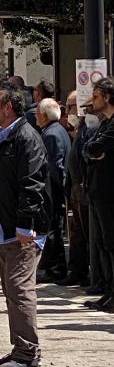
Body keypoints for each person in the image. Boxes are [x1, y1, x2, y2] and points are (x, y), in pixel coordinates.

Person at [0, 82, 51, 367]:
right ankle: (20, 348)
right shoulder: (2, 137)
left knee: (20, 290)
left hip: (21, 233)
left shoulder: (25, 137)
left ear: (8, 107)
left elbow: (32, 184)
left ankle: (28, 352)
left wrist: (25, 224)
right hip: (3, 232)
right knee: (12, 290)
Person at [82, 77, 114, 313]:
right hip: (98, 192)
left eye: (96, 96)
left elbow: (93, 148)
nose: (92, 101)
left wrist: (93, 152)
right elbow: (88, 148)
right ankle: (108, 290)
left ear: (107, 97)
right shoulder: (105, 123)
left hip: (109, 193)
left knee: (111, 244)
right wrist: (92, 152)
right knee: (104, 243)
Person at [35, 98, 71, 282]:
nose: (35, 117)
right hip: (55, 189)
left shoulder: (51, 134)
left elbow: (55, 166)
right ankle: (54, 267)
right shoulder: (57, 131)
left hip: (53, 190)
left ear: (44, 115)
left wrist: (54, 188)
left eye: (37, 114)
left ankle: (55, 269)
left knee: (53, 229)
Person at [61, 91, 93, 286]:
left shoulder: (88, 129)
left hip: (83, 189)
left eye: (71, 107)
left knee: (86, 233)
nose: (67, 111)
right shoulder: (76, 130)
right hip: (74, 188)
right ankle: (77, 270)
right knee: (76, 233)